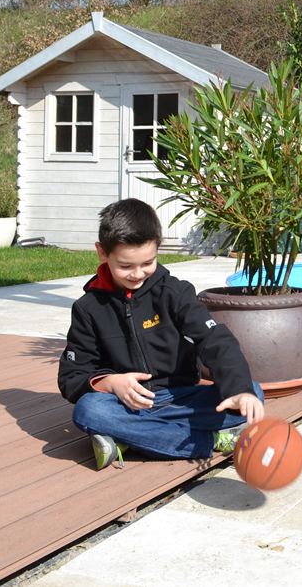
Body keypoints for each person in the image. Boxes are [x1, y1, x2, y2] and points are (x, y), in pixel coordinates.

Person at [58, 198, 265, 470]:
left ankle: (128, 439)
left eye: (148, 262)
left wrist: (239, 391)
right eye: (125, 266)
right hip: (127, 404)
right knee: (90, 410)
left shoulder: (175, 293)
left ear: (157, 248)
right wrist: (111, 383)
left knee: (254, 393)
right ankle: (212, 440)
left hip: (182, 398)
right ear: (102, 253)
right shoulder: (88, 308)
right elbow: (71, 377)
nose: (137, 273)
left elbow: (216, 340)